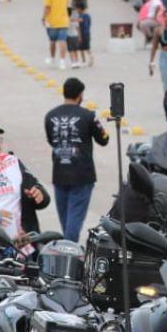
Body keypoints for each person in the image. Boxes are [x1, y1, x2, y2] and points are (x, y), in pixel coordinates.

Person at [44, 77, 108, 242]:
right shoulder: (88, 115)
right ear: (80, 95)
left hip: (59, 173)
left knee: (66, 220)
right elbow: (104, 140)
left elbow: (52, 140)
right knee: (75, 218)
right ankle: (69, 251)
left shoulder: (50, 116)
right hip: (82, 175)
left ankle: (67, 247)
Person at [42, 0, 72, 69]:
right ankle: (62, 61)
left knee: (52, 41)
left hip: (52, 21)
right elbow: (69, 7)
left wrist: (43, 18)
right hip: (64, 20)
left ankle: (52, 58)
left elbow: (47, 7)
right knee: (62, 41)